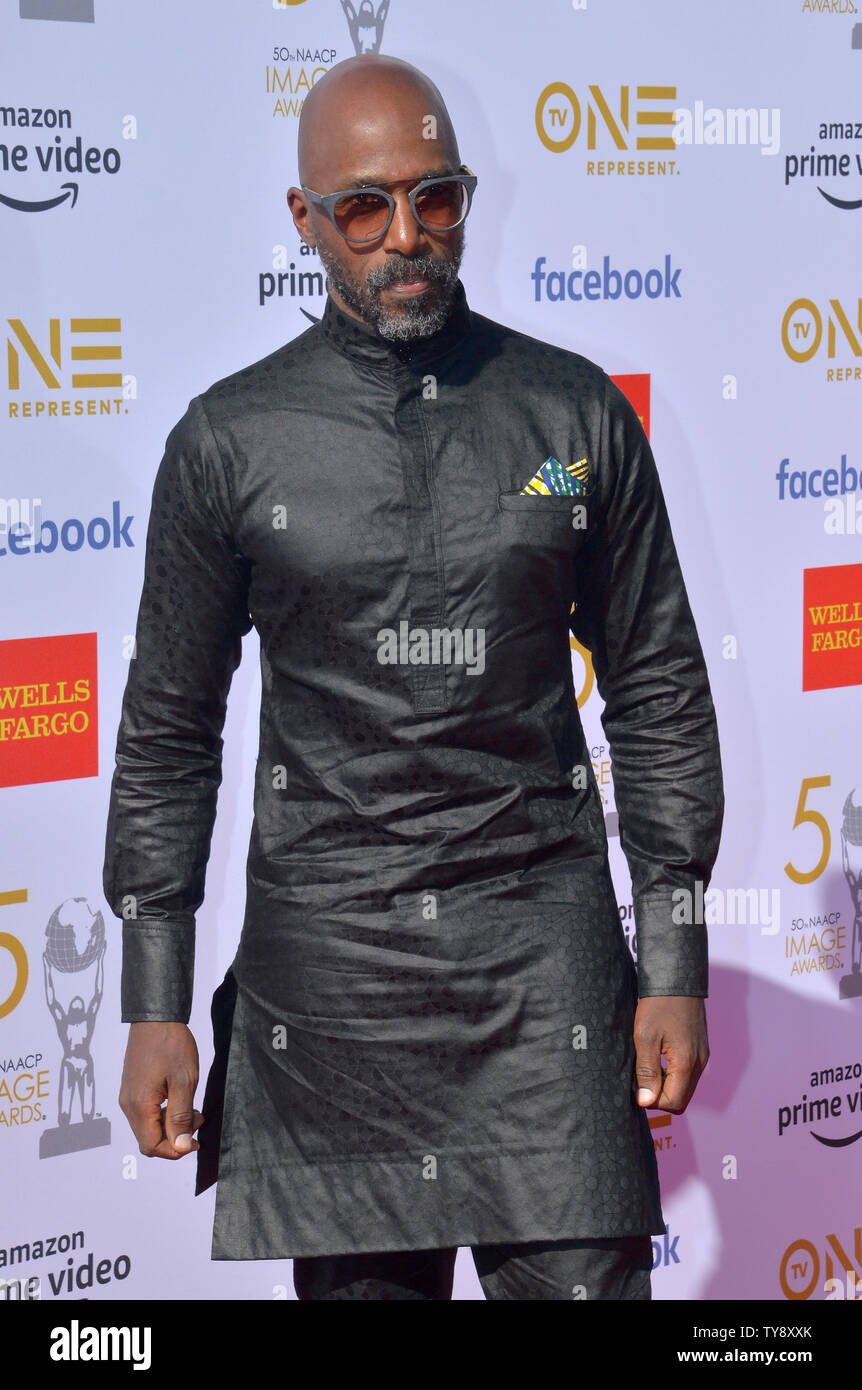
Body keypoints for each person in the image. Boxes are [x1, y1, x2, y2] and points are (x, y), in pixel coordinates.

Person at [103, 53, 724, 1301]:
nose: (406, 238)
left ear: (466, 198)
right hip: (330, 992)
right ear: (305, 222)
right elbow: (172, 728)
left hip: (543, 971)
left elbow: (654, 686)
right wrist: (154, 997)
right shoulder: (229, 441)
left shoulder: (571, 417)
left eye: (435, 199)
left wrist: (675, 957)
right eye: (365, 208)